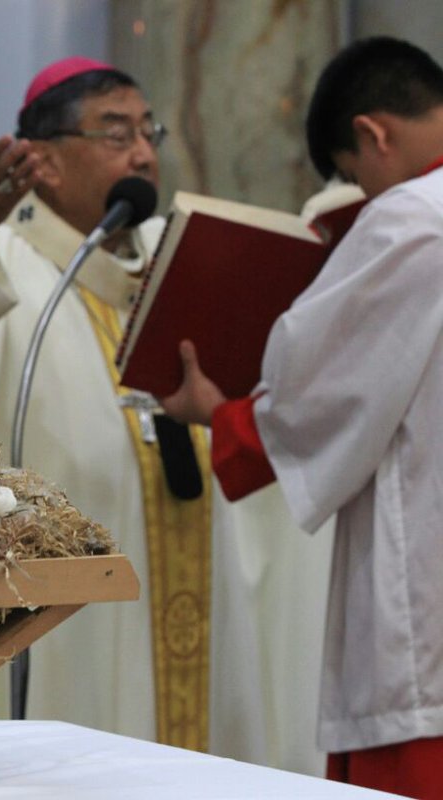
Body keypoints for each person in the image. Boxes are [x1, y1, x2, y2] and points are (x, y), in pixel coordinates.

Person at [0, 56, 332, 773]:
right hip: (65, 626)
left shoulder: (179, 261)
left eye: (147, 129)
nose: (142, 152)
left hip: (199, 589)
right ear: (43, 162)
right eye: (114, 132)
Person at [160, 37, 443, 798]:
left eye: (356, 176)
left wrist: (222, 416)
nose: (365, 194)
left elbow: (324, 386)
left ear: (374, 133)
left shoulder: (413, 220)